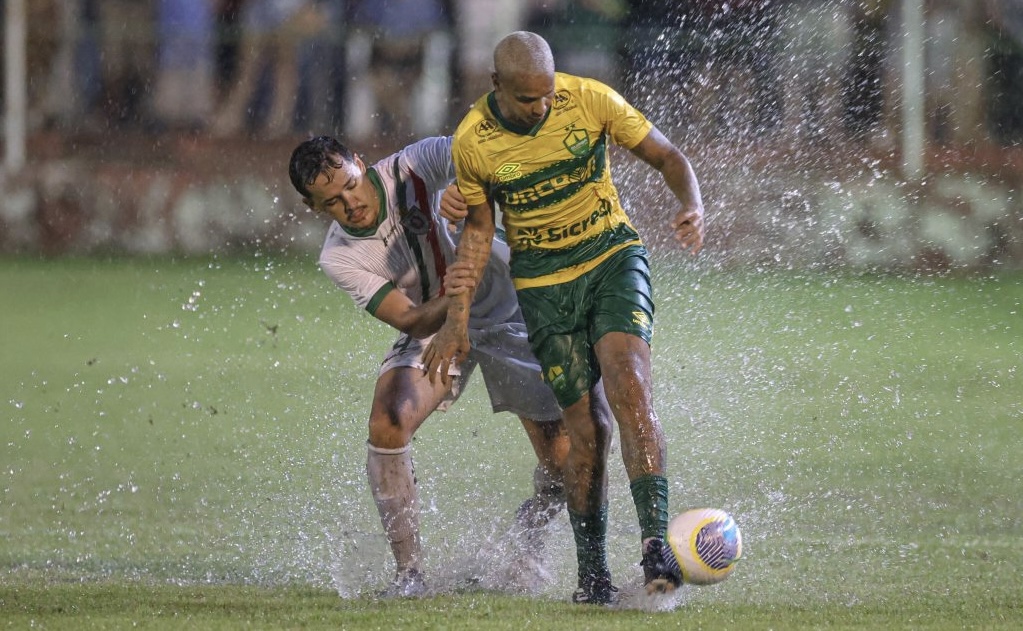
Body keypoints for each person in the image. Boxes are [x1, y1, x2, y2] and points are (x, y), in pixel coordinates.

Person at [423, 31, 706, 605]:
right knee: (588, 431)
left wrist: (691, 203)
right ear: (496, 85)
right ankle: (592, 577)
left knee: (630, 385)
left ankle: (656, 543)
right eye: (529, 99)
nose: (542, 107)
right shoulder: (473, 142)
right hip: (544, 287)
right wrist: (456, 320)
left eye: (548, 95)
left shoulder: (590, 99)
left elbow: (667, 156)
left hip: (611, 258)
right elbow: (478, 231)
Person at [287, 134, 569, 597]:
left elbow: (486, 156)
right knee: (388, 423)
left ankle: (532, 528)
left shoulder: (413, 165)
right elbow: (407, 317)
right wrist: (456, 307)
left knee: (564, 466)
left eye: (351, 185)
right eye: (332, 202)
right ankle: (411, 576)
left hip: (511, 310)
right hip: (435, 328)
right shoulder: (339, 257)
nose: (351, 203)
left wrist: (469, 187)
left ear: (361, 163)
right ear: (313, 207)